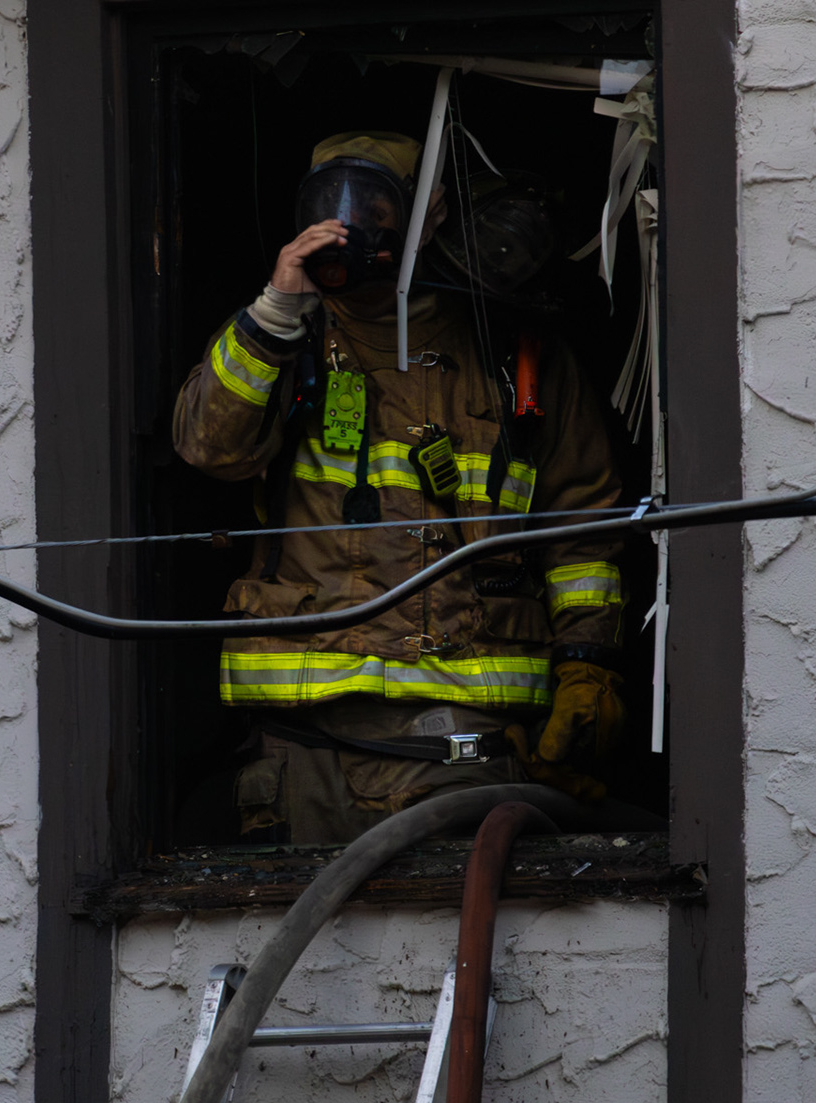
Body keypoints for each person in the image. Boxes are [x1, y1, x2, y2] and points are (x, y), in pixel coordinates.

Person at [173, 131, 627, 844]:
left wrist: (587, 666)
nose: (351, 224)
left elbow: (582, 531)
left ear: (433, 213)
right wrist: (274, 313)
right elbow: (210, 447)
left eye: (376, 205)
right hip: (308, 735)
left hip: (470, 736)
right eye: (330, 203)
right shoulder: (285, 339)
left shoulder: (516, 354)